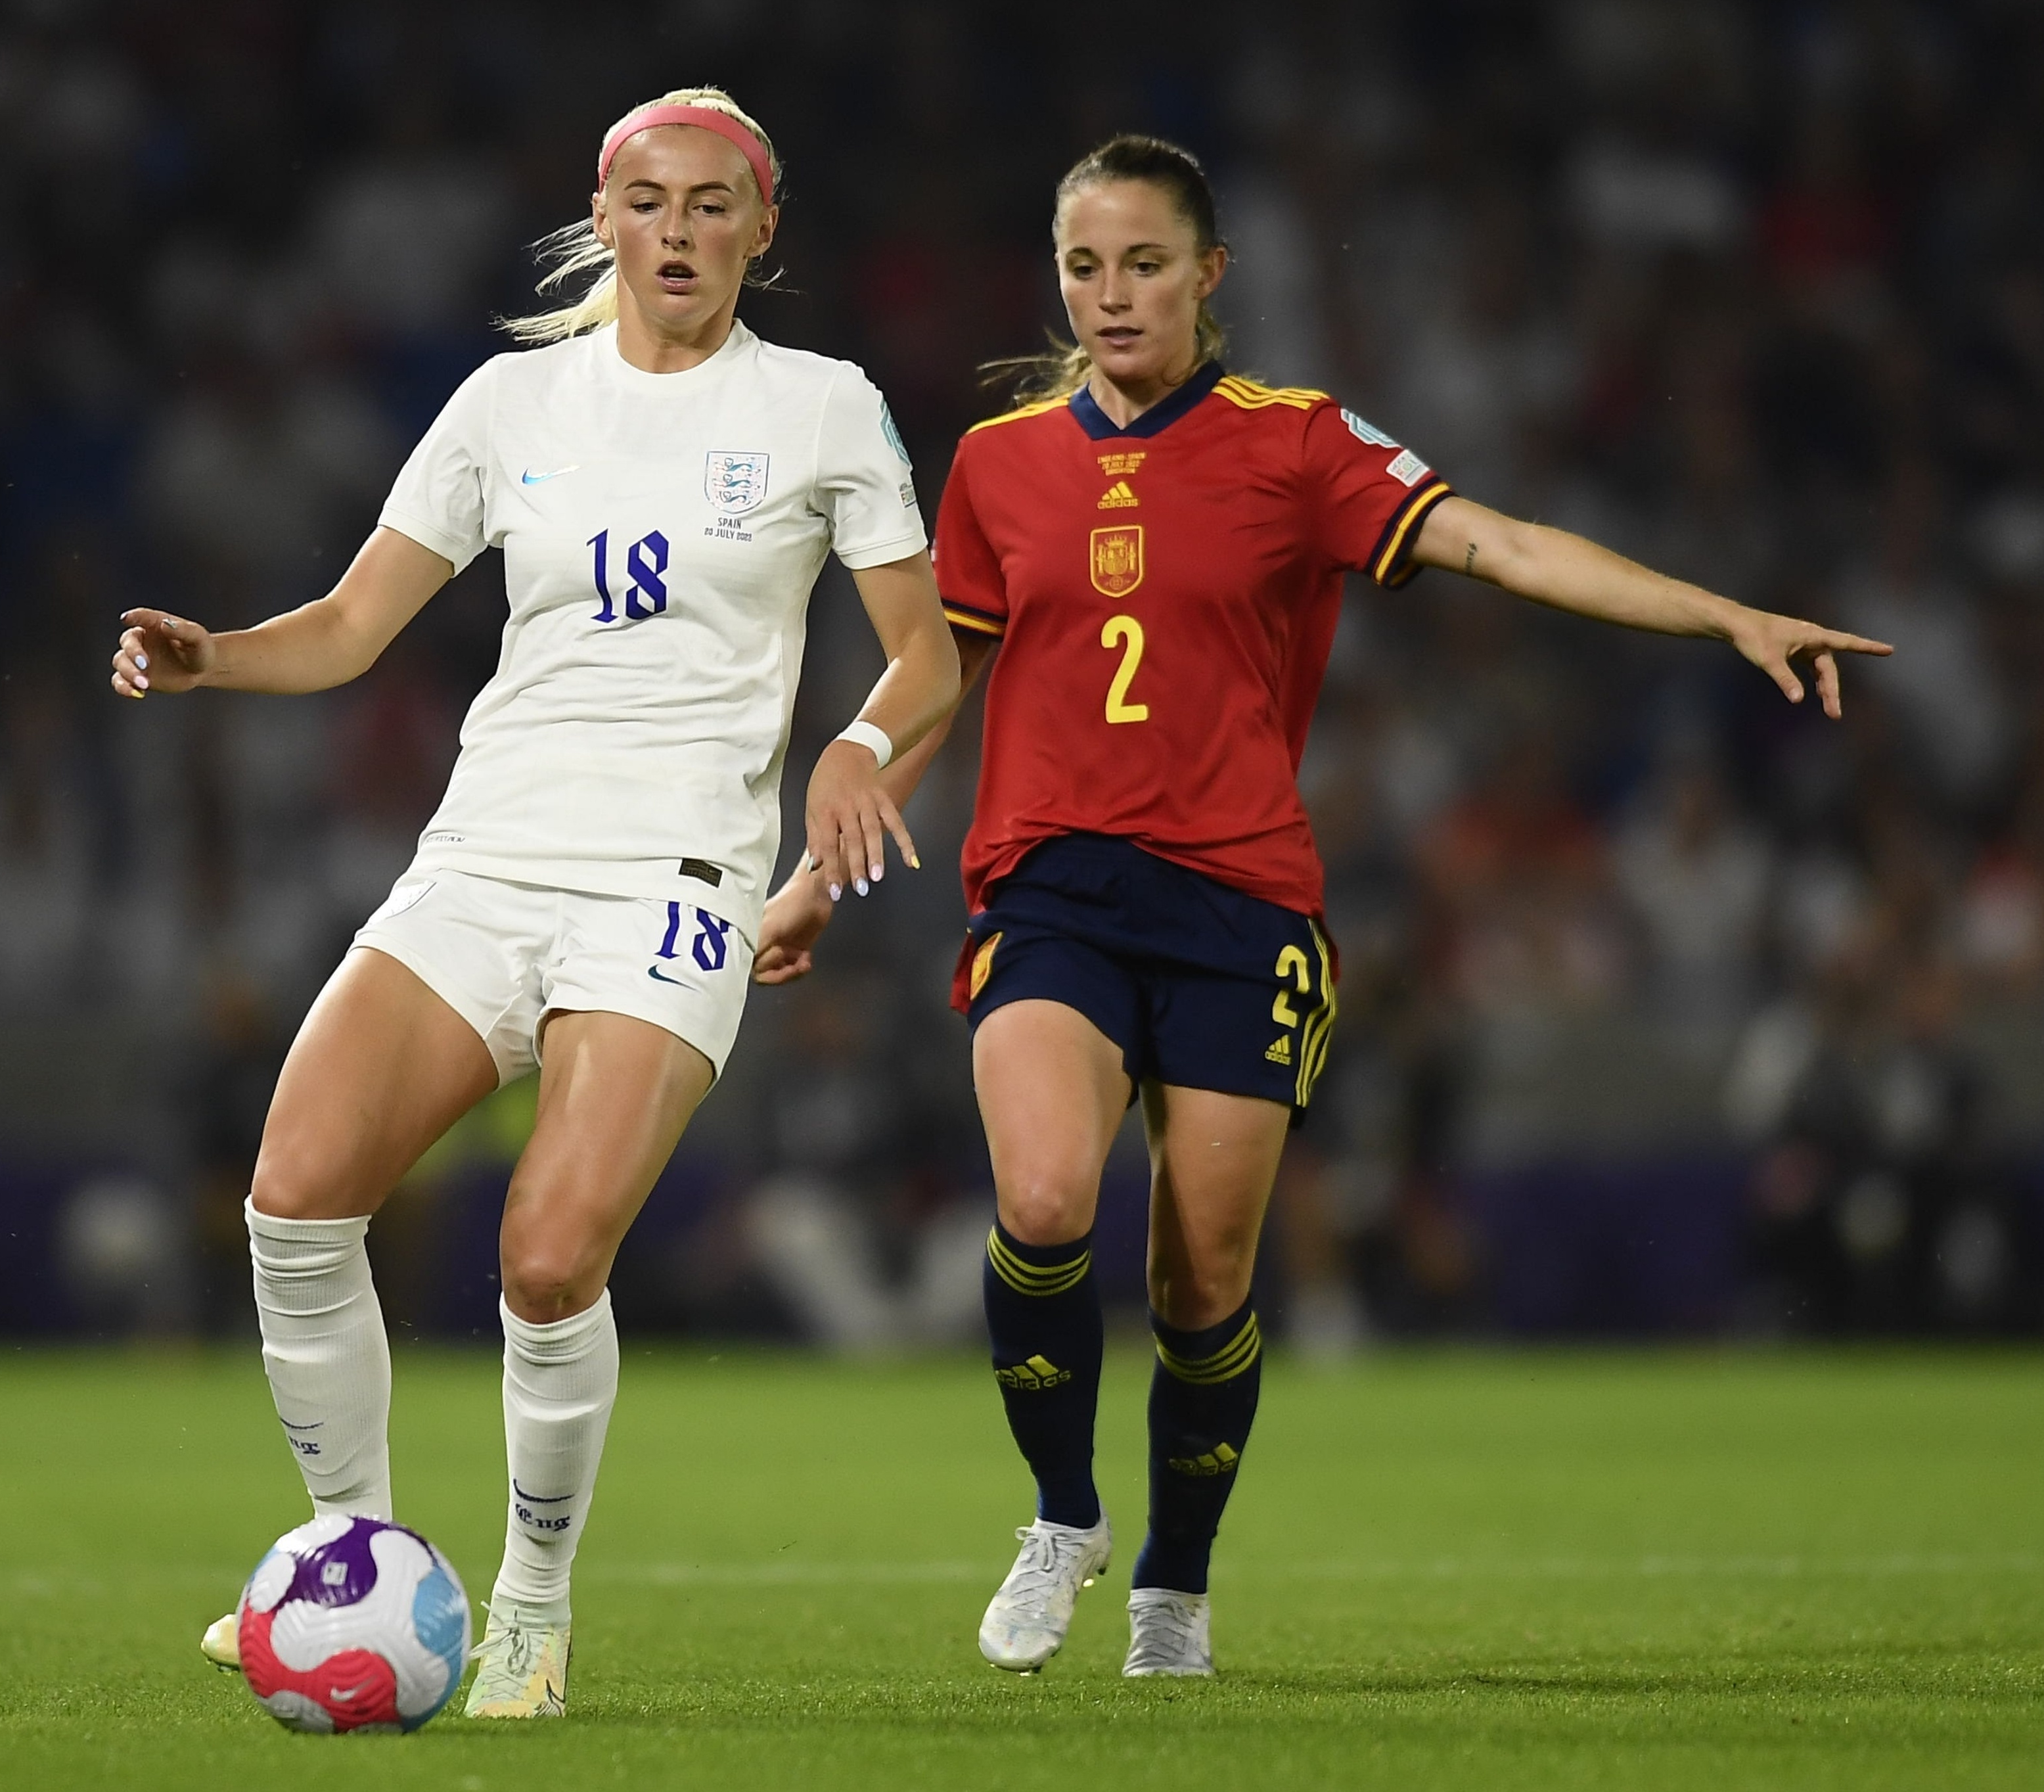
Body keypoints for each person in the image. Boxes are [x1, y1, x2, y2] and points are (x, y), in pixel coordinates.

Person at [754, 135, 1889, 1678]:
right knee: (1040, 1199)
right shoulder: (1000, 462)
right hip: (1053, 885)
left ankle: (1177, 1582)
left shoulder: (1297, 445)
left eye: (1145, 263)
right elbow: (937, 674)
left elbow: (1494, 540)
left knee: (1204, 1278)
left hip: (1240, 901)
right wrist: (822, 865)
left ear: (1209, 274)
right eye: (1085, 266)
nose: (1112, 295)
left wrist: (1724, 614)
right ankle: (1063, 1511)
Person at [112, 88, 958, 1718]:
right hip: (488, 855)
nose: (682, 234)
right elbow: (356, 625)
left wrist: (857, 746)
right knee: (292, 1193)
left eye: (717, 206)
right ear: (605, 218)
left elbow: (926, 652)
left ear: (763, 229)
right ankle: (351, 1560)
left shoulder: (824, 408)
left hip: (674, 873)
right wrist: (218, 653)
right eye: (651, 202)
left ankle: (531, 1608)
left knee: (551, 1256)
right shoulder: (510, 403)